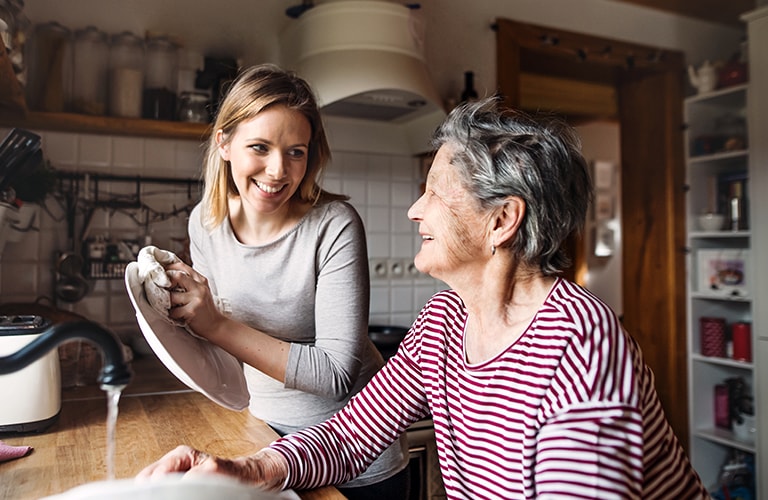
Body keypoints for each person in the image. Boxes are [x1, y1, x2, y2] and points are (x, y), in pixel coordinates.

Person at [139, 97, 710, 499]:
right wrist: (248, 469)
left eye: (434, 192)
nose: (415, 210)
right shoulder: (445, 318)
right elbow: (353, 431)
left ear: (501, 220)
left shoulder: (581, 347)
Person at [155, 63, 409, 499]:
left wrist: (213, 323)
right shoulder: (205, 222)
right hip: (264, 438)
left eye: (296, 151)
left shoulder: (334, 226)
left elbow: (336, 374)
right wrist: (176, 310)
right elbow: (222, 349)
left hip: (355, 458)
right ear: (225, 143)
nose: (278, 171)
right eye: (260, 146)